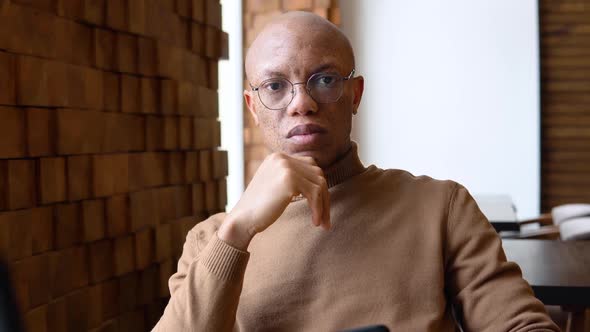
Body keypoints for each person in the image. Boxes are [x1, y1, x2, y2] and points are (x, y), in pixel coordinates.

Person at [153, 11, 559, 332]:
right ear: (252, 108)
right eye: (275, 86)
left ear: (355, 94)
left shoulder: (440, 208)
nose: (301, 103)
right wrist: (238, 231)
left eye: (325, 79)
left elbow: (520, 325)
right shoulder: (212, 240)